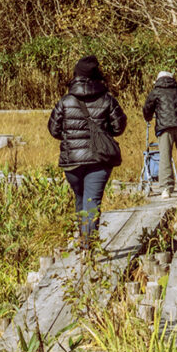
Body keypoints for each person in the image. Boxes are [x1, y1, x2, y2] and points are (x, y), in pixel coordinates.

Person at [46, 54, 126, 248]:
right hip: (99, 160)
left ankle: (82, 242)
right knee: (92, 202)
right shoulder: (107, 99)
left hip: (72, 161)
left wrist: (72, 139)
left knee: (81, 200)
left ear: (76, 75)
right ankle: (88, 247)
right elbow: (119, 127)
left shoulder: (65, 101)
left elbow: (54, 130)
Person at [142, 68, 177, 196]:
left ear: (158, 80)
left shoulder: (156, 91)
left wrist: (148, 117)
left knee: (165, 156)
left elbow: (147, 108)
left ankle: (166, 188)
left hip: (165, 128)